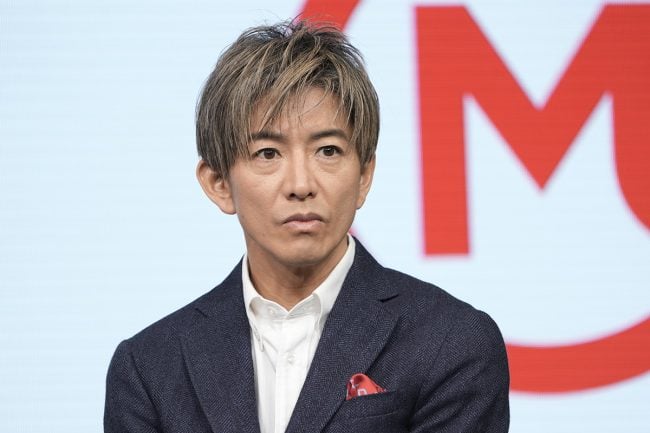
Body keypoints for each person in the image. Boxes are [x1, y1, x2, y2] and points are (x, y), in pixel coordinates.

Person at [104, 19, 509, 433]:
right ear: (219, 183)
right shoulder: (150, 368)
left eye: (328, 150)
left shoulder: (451, 341)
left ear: (364, 176)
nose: (301, 185)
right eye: (267, 153)